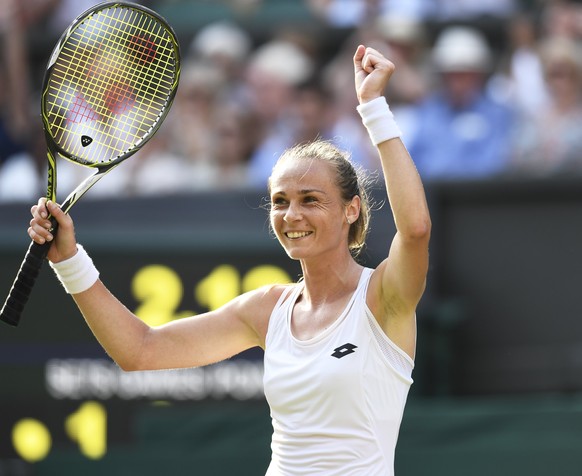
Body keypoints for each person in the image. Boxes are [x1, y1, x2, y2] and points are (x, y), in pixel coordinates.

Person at [27, 45, 431, 475]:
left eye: (310, 200)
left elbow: (416, 229)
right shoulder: (266, 309)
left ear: (351, 209)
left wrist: (372, 108)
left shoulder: (384, 297)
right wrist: (68, 258)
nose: (291, 215)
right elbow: (140, 351)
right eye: (280, 201)